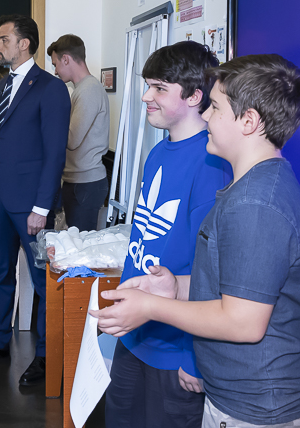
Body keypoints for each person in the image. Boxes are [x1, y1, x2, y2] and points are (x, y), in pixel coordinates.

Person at [94, 54, 300, 428]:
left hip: (266, 405)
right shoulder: (253, 187)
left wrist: (152, 307)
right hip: (248, 398)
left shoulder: (256, 203)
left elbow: (243, 322)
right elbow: (238, 288)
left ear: (249, 121)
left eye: (216, 107)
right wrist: (176, 287)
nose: (206, 115)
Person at [92, 41, 232, 428]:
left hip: (176, 346)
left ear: (194, 96)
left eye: (158, 88)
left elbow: (211, 271)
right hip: (136, 334)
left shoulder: (211, 164)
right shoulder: (158, 152)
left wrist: (195, 357)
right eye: (147, 86)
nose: (145, 96)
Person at [0, 15, 70, 386]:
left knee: (42, 280)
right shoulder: (0, 86)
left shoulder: (51, 88)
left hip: (30, 203)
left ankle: (45, 356)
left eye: (3, 39)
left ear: (24, 43)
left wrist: (42, 207)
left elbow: (55, 153)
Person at [47, 34, 110, 232]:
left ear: (66, 59)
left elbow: (71, 140)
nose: (55, 71)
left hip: (86, 183)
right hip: (78, 181)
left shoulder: (89, 89)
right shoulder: (81, 89)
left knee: (80, 245)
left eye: (55, 64)